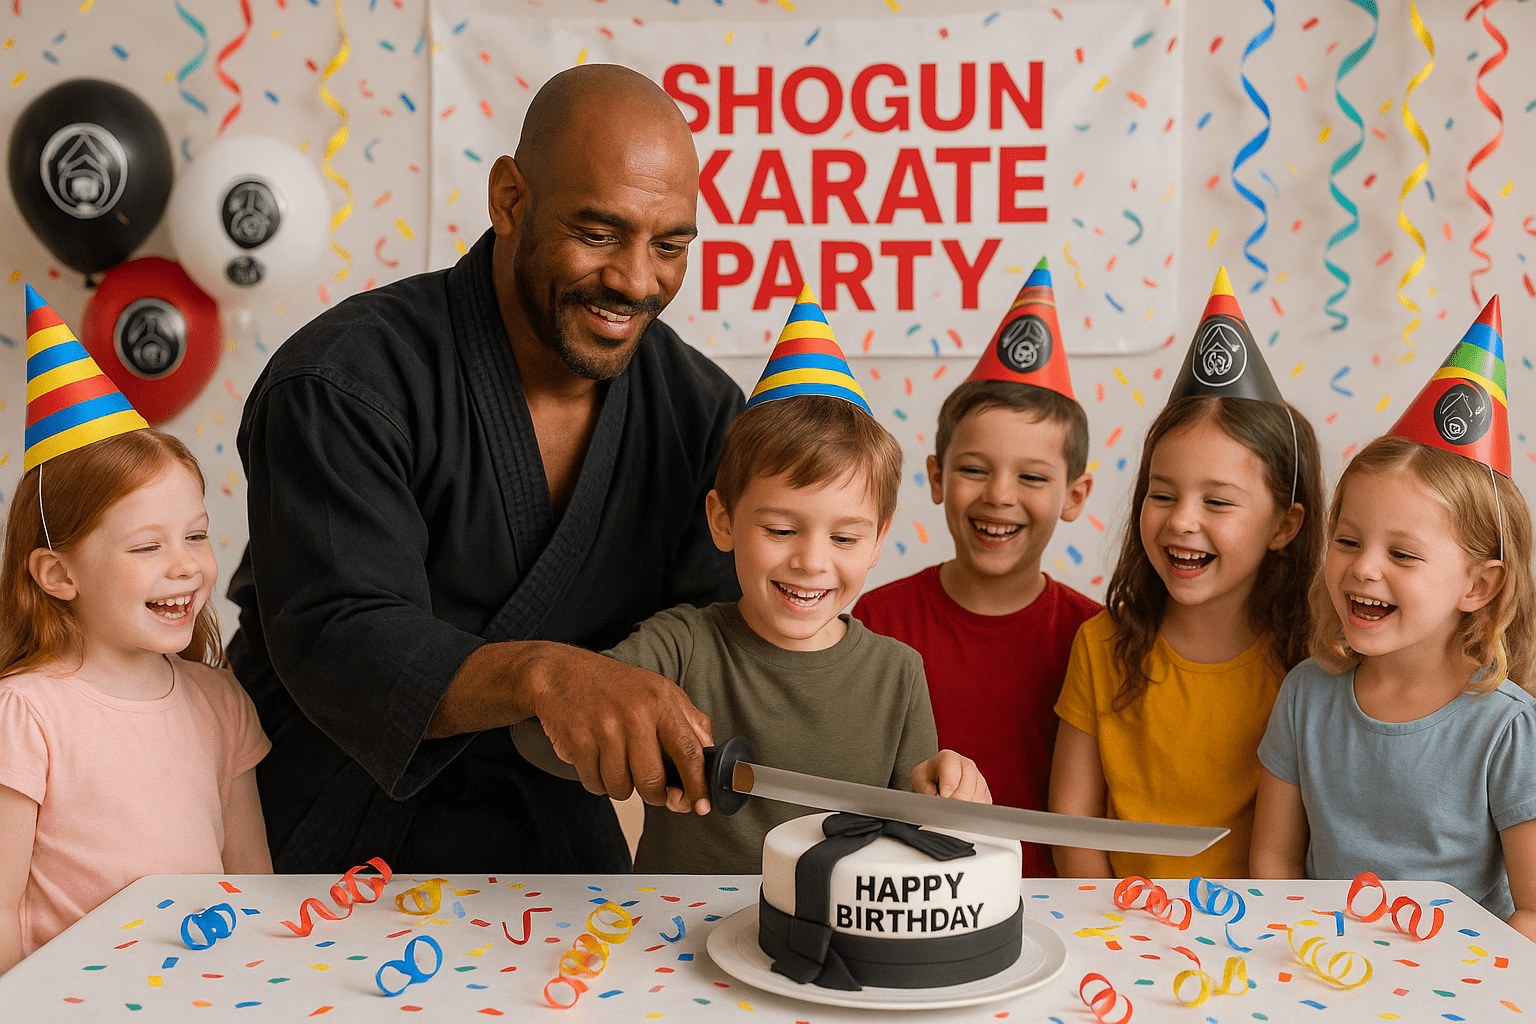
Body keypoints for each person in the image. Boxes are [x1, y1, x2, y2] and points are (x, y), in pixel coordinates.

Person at [228, 64, 745, 873]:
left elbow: (726, 647)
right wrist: (543, 675)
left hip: (553, 852)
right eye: (599, 233)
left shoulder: (702, 413)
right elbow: (336, 630)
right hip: (323, 838)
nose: (637, 281)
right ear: (510, 200)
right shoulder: (344, 377)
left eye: (670, 245)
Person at [518, 287, 989, 873]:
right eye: (781, 529)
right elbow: (541, 741)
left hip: (829, 937)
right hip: (676, 939)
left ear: (878, 541)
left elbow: (915, 838)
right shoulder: (679, 646)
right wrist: (582, 711)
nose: (812, 562)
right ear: (723, 521)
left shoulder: (897, 675)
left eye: (844, 538)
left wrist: (945, 794)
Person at [0, 288, 270, 975]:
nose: (184, 566)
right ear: (58, 575)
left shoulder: (219, 701)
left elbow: (253, 884)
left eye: (197, 535)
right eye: (147, 547)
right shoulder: (27, 714)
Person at [1251, 298, 1536, 940]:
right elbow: (1273, 859)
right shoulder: (1306, 695)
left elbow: (1533, 910)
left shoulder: (1507, 730)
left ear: (1479, 583)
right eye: (1348, 541)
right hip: (1319, 972)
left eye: (1402, 553)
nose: (1363, 569)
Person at [1048, 268, 1324, 879]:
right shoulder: (1100, 647)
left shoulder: (1311, 664)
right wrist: (1111, 933)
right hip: (1119, 934)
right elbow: (1073, 820)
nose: (1182, 522)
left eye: (1218, 502)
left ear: (1284, 524)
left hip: (1258, 940)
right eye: (1162, 494)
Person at [854, 259, 1098, 878]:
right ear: (936, 478)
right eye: (973, 469)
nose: (999, 496)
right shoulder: (876, 620)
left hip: (1055, 905)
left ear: (1075, 496)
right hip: (908, 894)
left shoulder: (1095, 636)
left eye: (1033, 477)